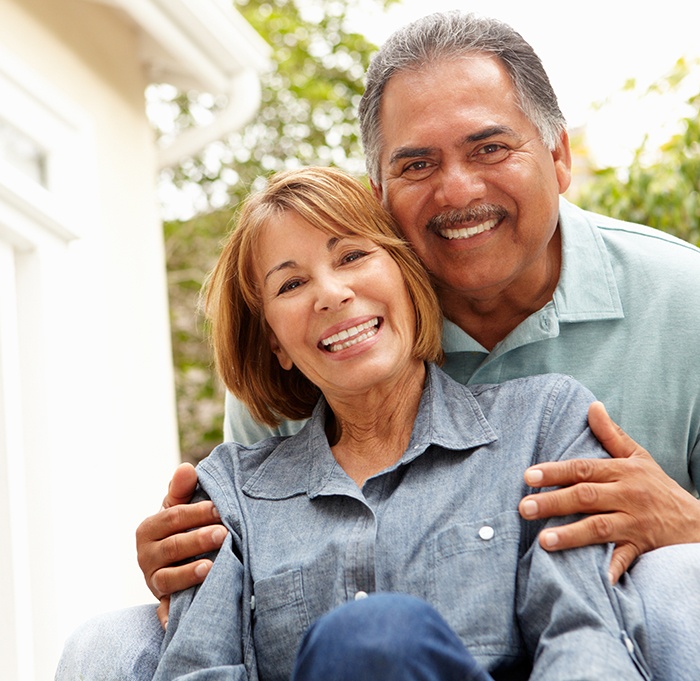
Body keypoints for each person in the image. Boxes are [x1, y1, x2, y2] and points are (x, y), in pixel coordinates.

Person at [57, 10, 700, 680]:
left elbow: (585, 635)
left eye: (489, 147)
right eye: (418, 163)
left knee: (682, 573)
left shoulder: (631, 346)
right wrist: (186, 562)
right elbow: (202, 653)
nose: (457, 189)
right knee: (109, 641)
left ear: (559, 156)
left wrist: (688, 518)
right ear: (381, 196)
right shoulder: (248, 471)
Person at [150, 165, 649, 680]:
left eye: (352, 255)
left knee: (378, 634)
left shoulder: (546, 424)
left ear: (406, 277)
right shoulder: (228, 494)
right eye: (292, 283)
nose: (331, 293)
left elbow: (586, 636)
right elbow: (197, 672)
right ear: (275, 342)